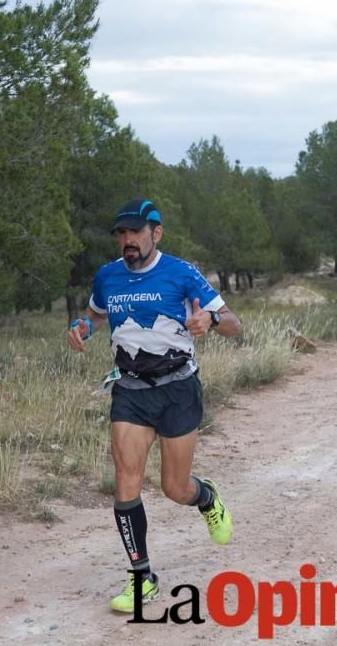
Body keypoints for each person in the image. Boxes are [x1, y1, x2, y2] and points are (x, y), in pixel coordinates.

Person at [65, 198, 243, 613]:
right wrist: (81, 328)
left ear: (155, 233)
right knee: (126, 479)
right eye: (122, 234)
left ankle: (206, 498)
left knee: (173, 487)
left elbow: (236, 324)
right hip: (130, 389)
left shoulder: (181, 273)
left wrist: (212, 322)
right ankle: (142, 578)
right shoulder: (108, 276)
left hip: (178, 389)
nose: (127, 240)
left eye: (135, 232)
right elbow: (94, 315)